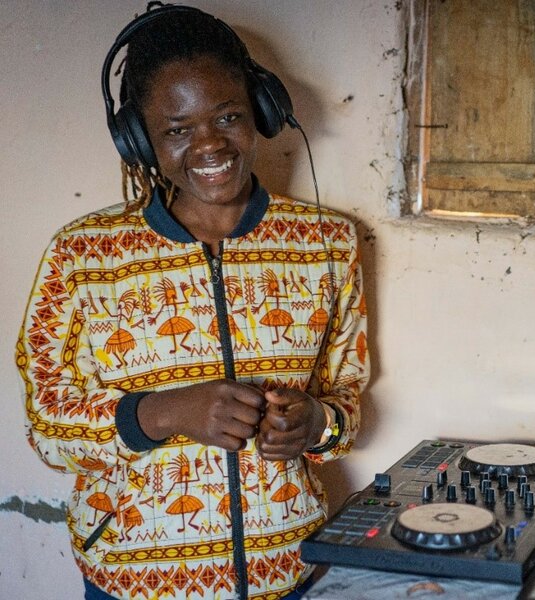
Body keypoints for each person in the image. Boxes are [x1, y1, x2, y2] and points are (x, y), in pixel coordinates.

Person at [15, 5, 368, 599]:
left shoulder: (328, 243)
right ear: (140, 139)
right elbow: (47, 426)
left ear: (260, 110)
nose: (208, 144)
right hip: (133, 579)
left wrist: (318, 423)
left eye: (228, 116)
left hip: (289, 570)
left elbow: (349, 398)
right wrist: (162, 413)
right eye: (177, 129)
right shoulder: (81, 255)